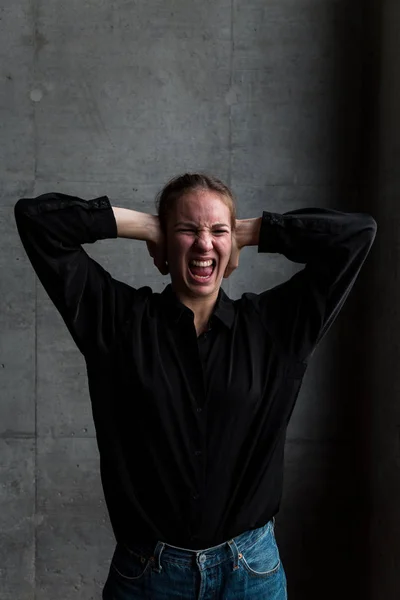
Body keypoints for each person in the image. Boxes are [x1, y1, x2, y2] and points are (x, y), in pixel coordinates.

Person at [14, 172, 377, 599]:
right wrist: (144, 225)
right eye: (187, 230)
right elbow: (37, 220)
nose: (204, 244)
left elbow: (357, 235)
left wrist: (250, 232)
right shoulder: (116, 324)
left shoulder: (277, 329)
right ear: (164, 247)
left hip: (250, 576)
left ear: (235, 249)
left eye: (218, 232)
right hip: (148, 576)